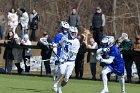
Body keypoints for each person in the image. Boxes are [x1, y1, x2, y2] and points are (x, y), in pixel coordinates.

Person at [53, 26, 80, 93]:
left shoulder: (76, 42)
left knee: (67, 77)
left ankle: (60, 88)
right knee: (61, 72)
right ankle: (55, 83)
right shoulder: (64, 37)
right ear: (69, 32)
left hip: (71, 61)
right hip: (63, 59)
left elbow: (72, 54)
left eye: (75, 33)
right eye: (72, 33)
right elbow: (60, 44)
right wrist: (55, 45)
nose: (74, 34)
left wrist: (64, 59)